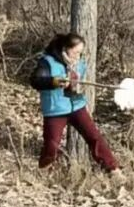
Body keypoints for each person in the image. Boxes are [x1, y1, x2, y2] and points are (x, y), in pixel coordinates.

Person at [29, 32, 120, 174]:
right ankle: (44, 172)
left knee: (94, 137)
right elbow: (35, 81)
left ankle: (113, 170)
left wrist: (74, 82)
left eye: (80, 53)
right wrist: (54, 82)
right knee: (51, 145)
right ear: (65, 48)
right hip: (55, 109)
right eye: (75, 52)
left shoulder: (79, 63)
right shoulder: (48, 62)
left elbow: (78, 82)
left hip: (76, 105)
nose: (78, 56)